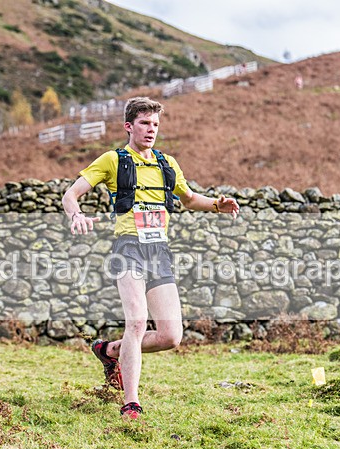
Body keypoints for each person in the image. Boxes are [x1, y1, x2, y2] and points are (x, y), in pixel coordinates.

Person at [62, 96, 239, 421]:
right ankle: (131, 403)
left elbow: (188, 199)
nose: (151, 130)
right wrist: (77, 215)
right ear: (129, 126)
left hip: (159, 251)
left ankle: (110, 350)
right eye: (145, 123)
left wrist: (216, 204)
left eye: (155, 124)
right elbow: (70, 194)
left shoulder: (167, 163)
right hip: (128, 247)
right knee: (137, 322)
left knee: (171, 336)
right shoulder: (112, 160)